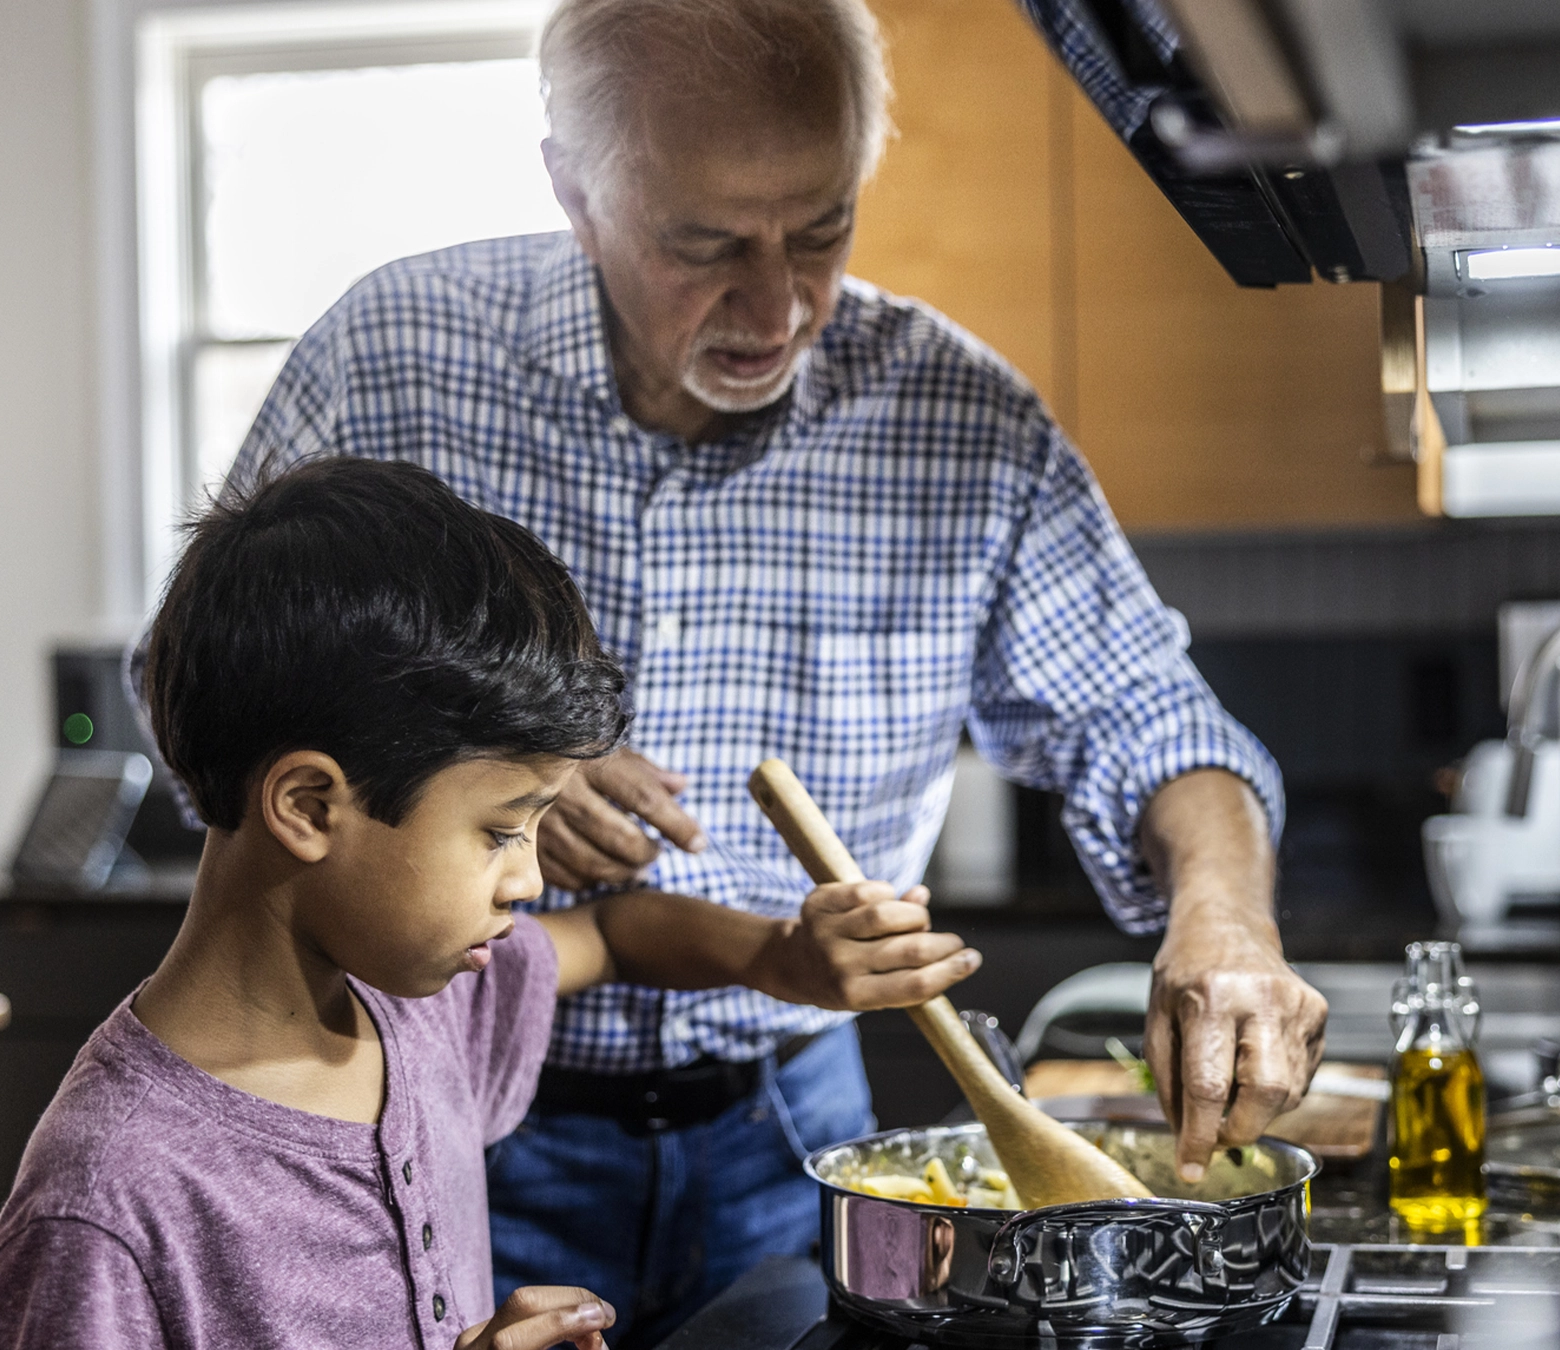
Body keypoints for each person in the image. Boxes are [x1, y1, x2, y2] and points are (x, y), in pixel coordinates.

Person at [224, 0, 1329, 1341]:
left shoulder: (959, 421)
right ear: (575, 191)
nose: (778, 303)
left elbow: (1145, 712)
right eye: (705, 246)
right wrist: (464, 762)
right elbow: (210, 707)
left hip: (793, 1129)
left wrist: (1224, 918)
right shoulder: (393, 355)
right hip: (426, 1105)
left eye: (821, 227)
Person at [0, 458, 978, 1349]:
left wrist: (774, 960)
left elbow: (612, 934)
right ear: (308, 805)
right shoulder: (108, 1198)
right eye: (500, 831)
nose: (531, 878)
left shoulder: (420, 1012)